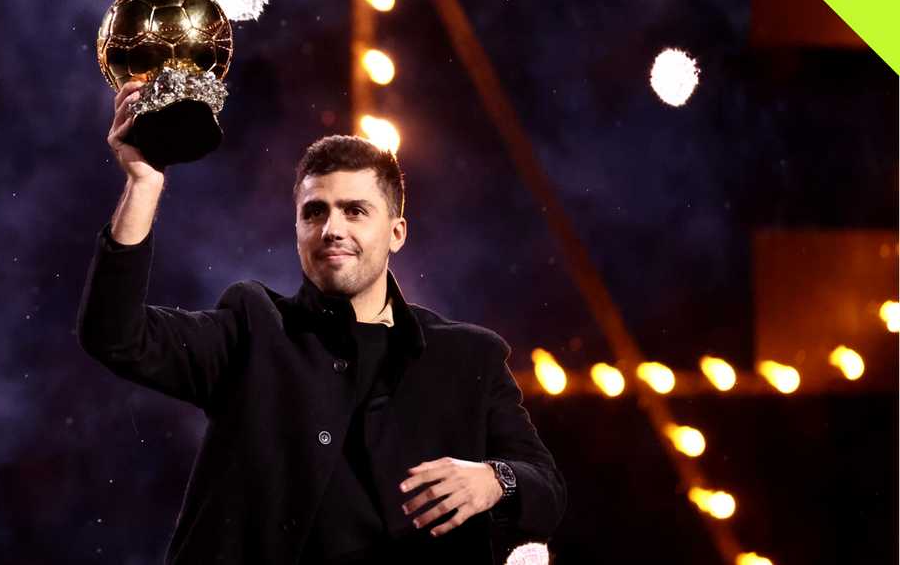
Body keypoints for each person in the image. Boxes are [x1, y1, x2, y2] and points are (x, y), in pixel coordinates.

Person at [77, 81, 566, 564]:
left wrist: (494, 479)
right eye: (314, 213)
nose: (332, 229)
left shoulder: (469, 357)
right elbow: (115, 334)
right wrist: (144, 184)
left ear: (396, 233)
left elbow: (546, 487)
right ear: (297, 230)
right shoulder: (251, 327)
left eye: (355, 211)